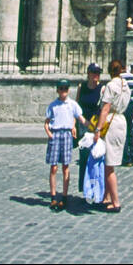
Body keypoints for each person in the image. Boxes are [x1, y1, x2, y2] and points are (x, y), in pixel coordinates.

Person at [95, 60, 132, 212]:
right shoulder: (125, 85)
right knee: (108, 162)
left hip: (111, 121)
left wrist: (98, 129)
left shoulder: (111, 85)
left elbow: (105, 109)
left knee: (109, 165)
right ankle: (106, 197)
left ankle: (116, 201)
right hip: (121, 119)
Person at [45, 79, 84, 211]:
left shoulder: (72, 104)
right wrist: (49, 133)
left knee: (66, 167)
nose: (63, 91)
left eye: (65, 89)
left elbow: (79, 117)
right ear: (57, 90)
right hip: (55, 133)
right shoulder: (53, 105)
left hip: (67, 135)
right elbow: (47, 122)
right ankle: (53, 196)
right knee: (54, 167)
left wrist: (92, 126)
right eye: (61, 89)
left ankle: (65, 196)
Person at [119, 63, 133, 166]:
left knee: (123, 130)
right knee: (130, 128)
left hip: (122, 105)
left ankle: (126, 156)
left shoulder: (119, 78)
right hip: (131, 105)